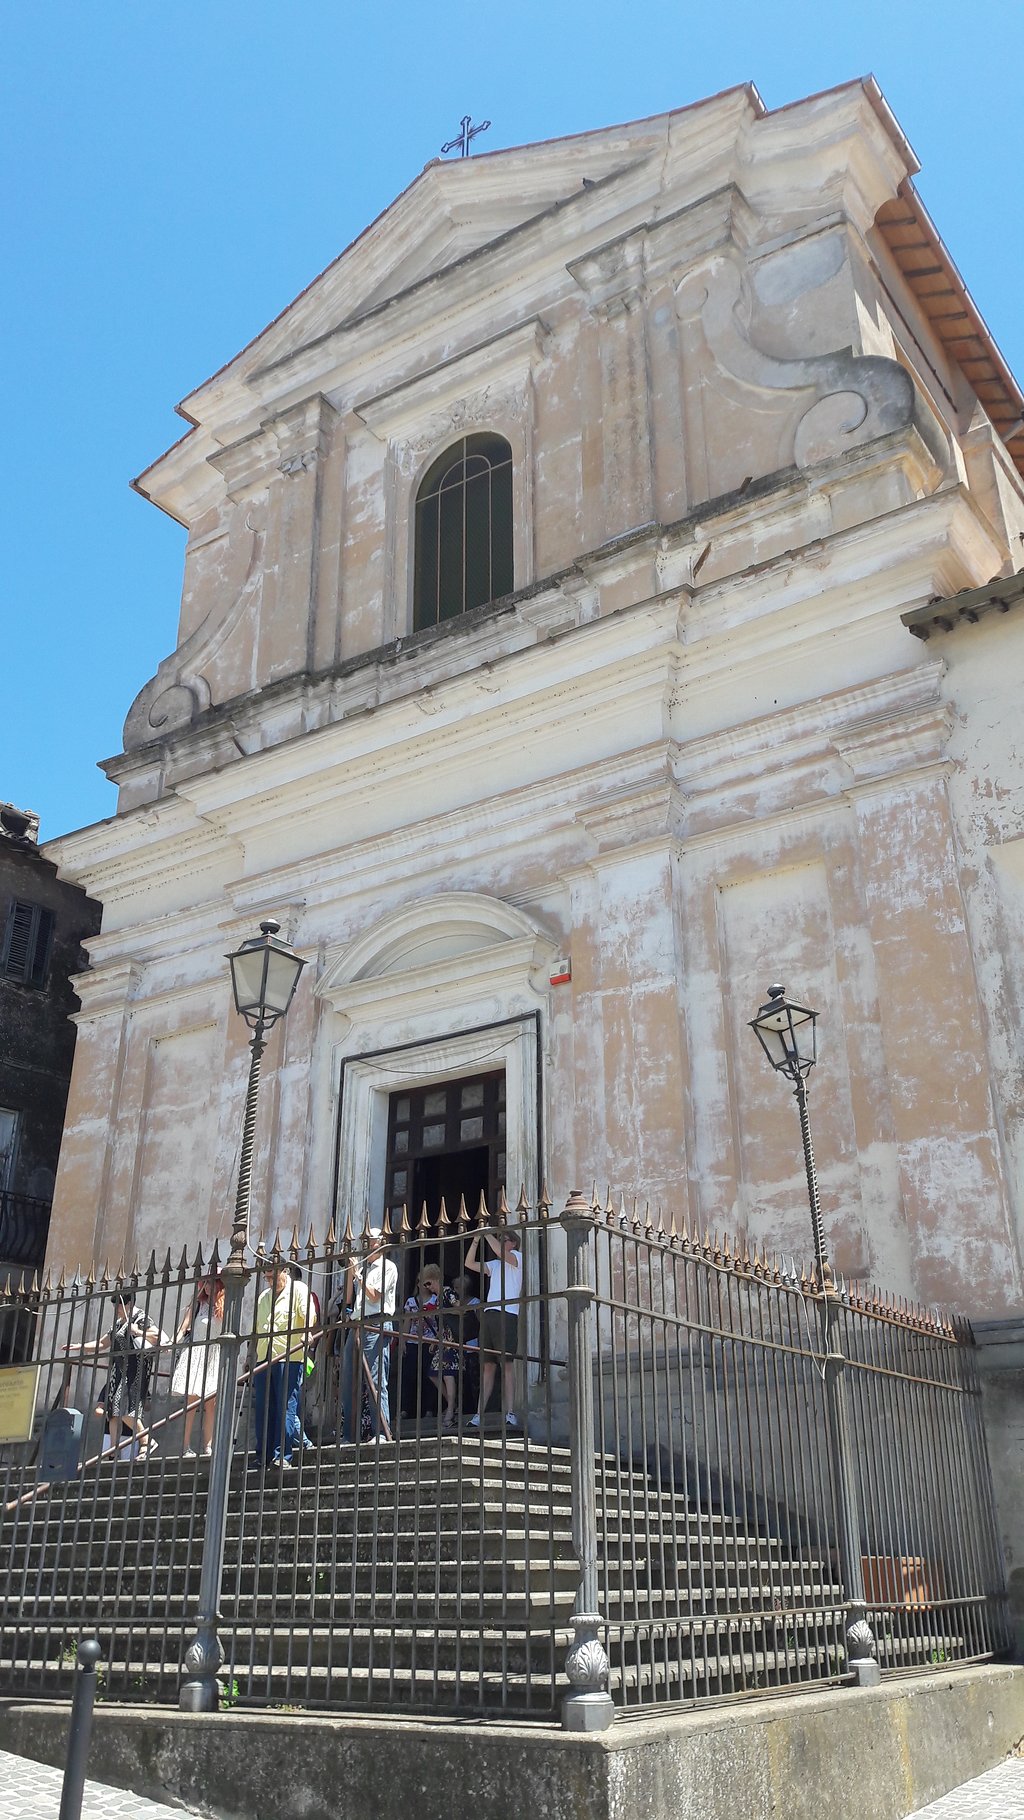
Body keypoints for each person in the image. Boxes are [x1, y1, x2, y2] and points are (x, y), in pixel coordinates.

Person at [67, 1289, 164, 1460]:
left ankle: (146, 1441)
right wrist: (79, 1346)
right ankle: (113, 1451)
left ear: (129, 1304)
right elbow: (102, 1343)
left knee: (124, 1408)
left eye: (119, 1305)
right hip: (118, 1370)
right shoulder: (118, 1324)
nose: (117, 1309)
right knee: (112, 1410)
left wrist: (138, 1331)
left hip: (135, 1369)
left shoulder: (141, 1318)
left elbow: (158, 1337)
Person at [252, 1260, 312, 1467]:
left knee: (285, 1407)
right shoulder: (263, 1297)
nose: (268, 1280)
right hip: (264, 1356)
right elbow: (259, 1328)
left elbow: (307, 1316)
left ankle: (282, 1455)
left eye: (272, 1276)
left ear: (284, 1271)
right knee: (263, 1407)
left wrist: (306, 1334)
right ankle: (263, 1454)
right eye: (266, 1276)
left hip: (289, 1356)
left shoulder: (299, 1290)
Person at [340, 1226, 398, 1441]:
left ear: (381, 1243)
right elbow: (349, 1298)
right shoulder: (363, 1268)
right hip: (357, 1324)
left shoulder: (388, 1267)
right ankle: (350, 1435)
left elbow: (374, 1297)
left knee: (375, 1378)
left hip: (377, 1322)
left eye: (370, 1240)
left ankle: (381, 1432)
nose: (367, 1243)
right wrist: (352, 1273)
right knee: (349, 1379)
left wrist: (357, 1275)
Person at [464, 1227, 523, 1431]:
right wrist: (475, 1241)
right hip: (490, 1314)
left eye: (505, 1240)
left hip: (507, 1314)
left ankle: (510, 1412)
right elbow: (469, 1263)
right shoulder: (496, 1265)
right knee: (488, 1366)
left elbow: (500, 1252)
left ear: (513, 1243)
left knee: (506, 1364)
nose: (501, 1243)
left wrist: (486, 1232)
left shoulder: (517, 1258)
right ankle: (479, 1414)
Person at [171, 1275, 225, 1456]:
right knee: (191, 1403)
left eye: (211, 1283)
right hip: (196, 1353)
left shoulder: (225, 1306)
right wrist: (173, 1342)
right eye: (205, 1283)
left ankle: (208, 1445)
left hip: (214, 1356)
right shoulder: (196, 1305)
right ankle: (185, 1446)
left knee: (212, 1404)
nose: (207, 1287)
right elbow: (183, 1328)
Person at [401, 1265, 459, 1430]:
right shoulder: (436, 1297)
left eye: (428, 1283)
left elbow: (460, 1309)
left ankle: (449, 1410)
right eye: (423, 1284)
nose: (426, 1287)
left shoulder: (446, 1293)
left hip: (447, 1339)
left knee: (446, 1375)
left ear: (435, 1280)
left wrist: (443, 1313)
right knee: (433, 1374)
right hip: (438, 1340)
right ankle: (452, 1405)